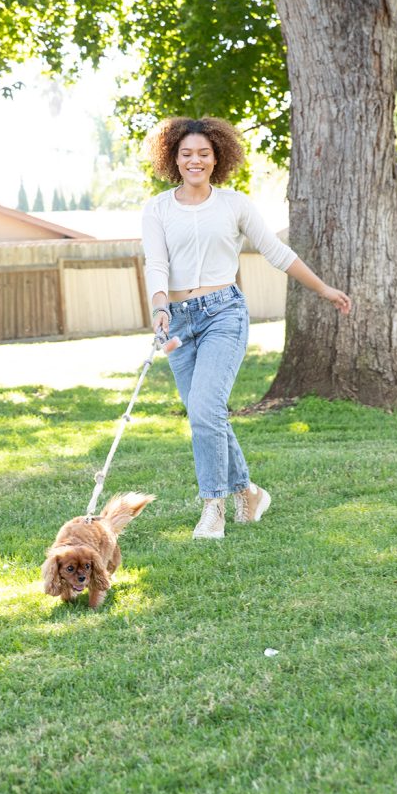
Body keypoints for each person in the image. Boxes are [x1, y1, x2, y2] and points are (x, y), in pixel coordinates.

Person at [141, 116, 351, 540]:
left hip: (224, 314)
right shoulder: (158, 209)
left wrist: (324, 289)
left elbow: (276, 251)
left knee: (204, 410)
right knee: (206, 413)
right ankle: (250, 492)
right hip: (178, 320)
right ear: (173, 158)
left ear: (217, 157)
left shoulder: (233, 204)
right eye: (186, 154)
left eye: (204, 153)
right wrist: (160, 305)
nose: (195, 160)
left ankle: (213, 508)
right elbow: (157, 263)